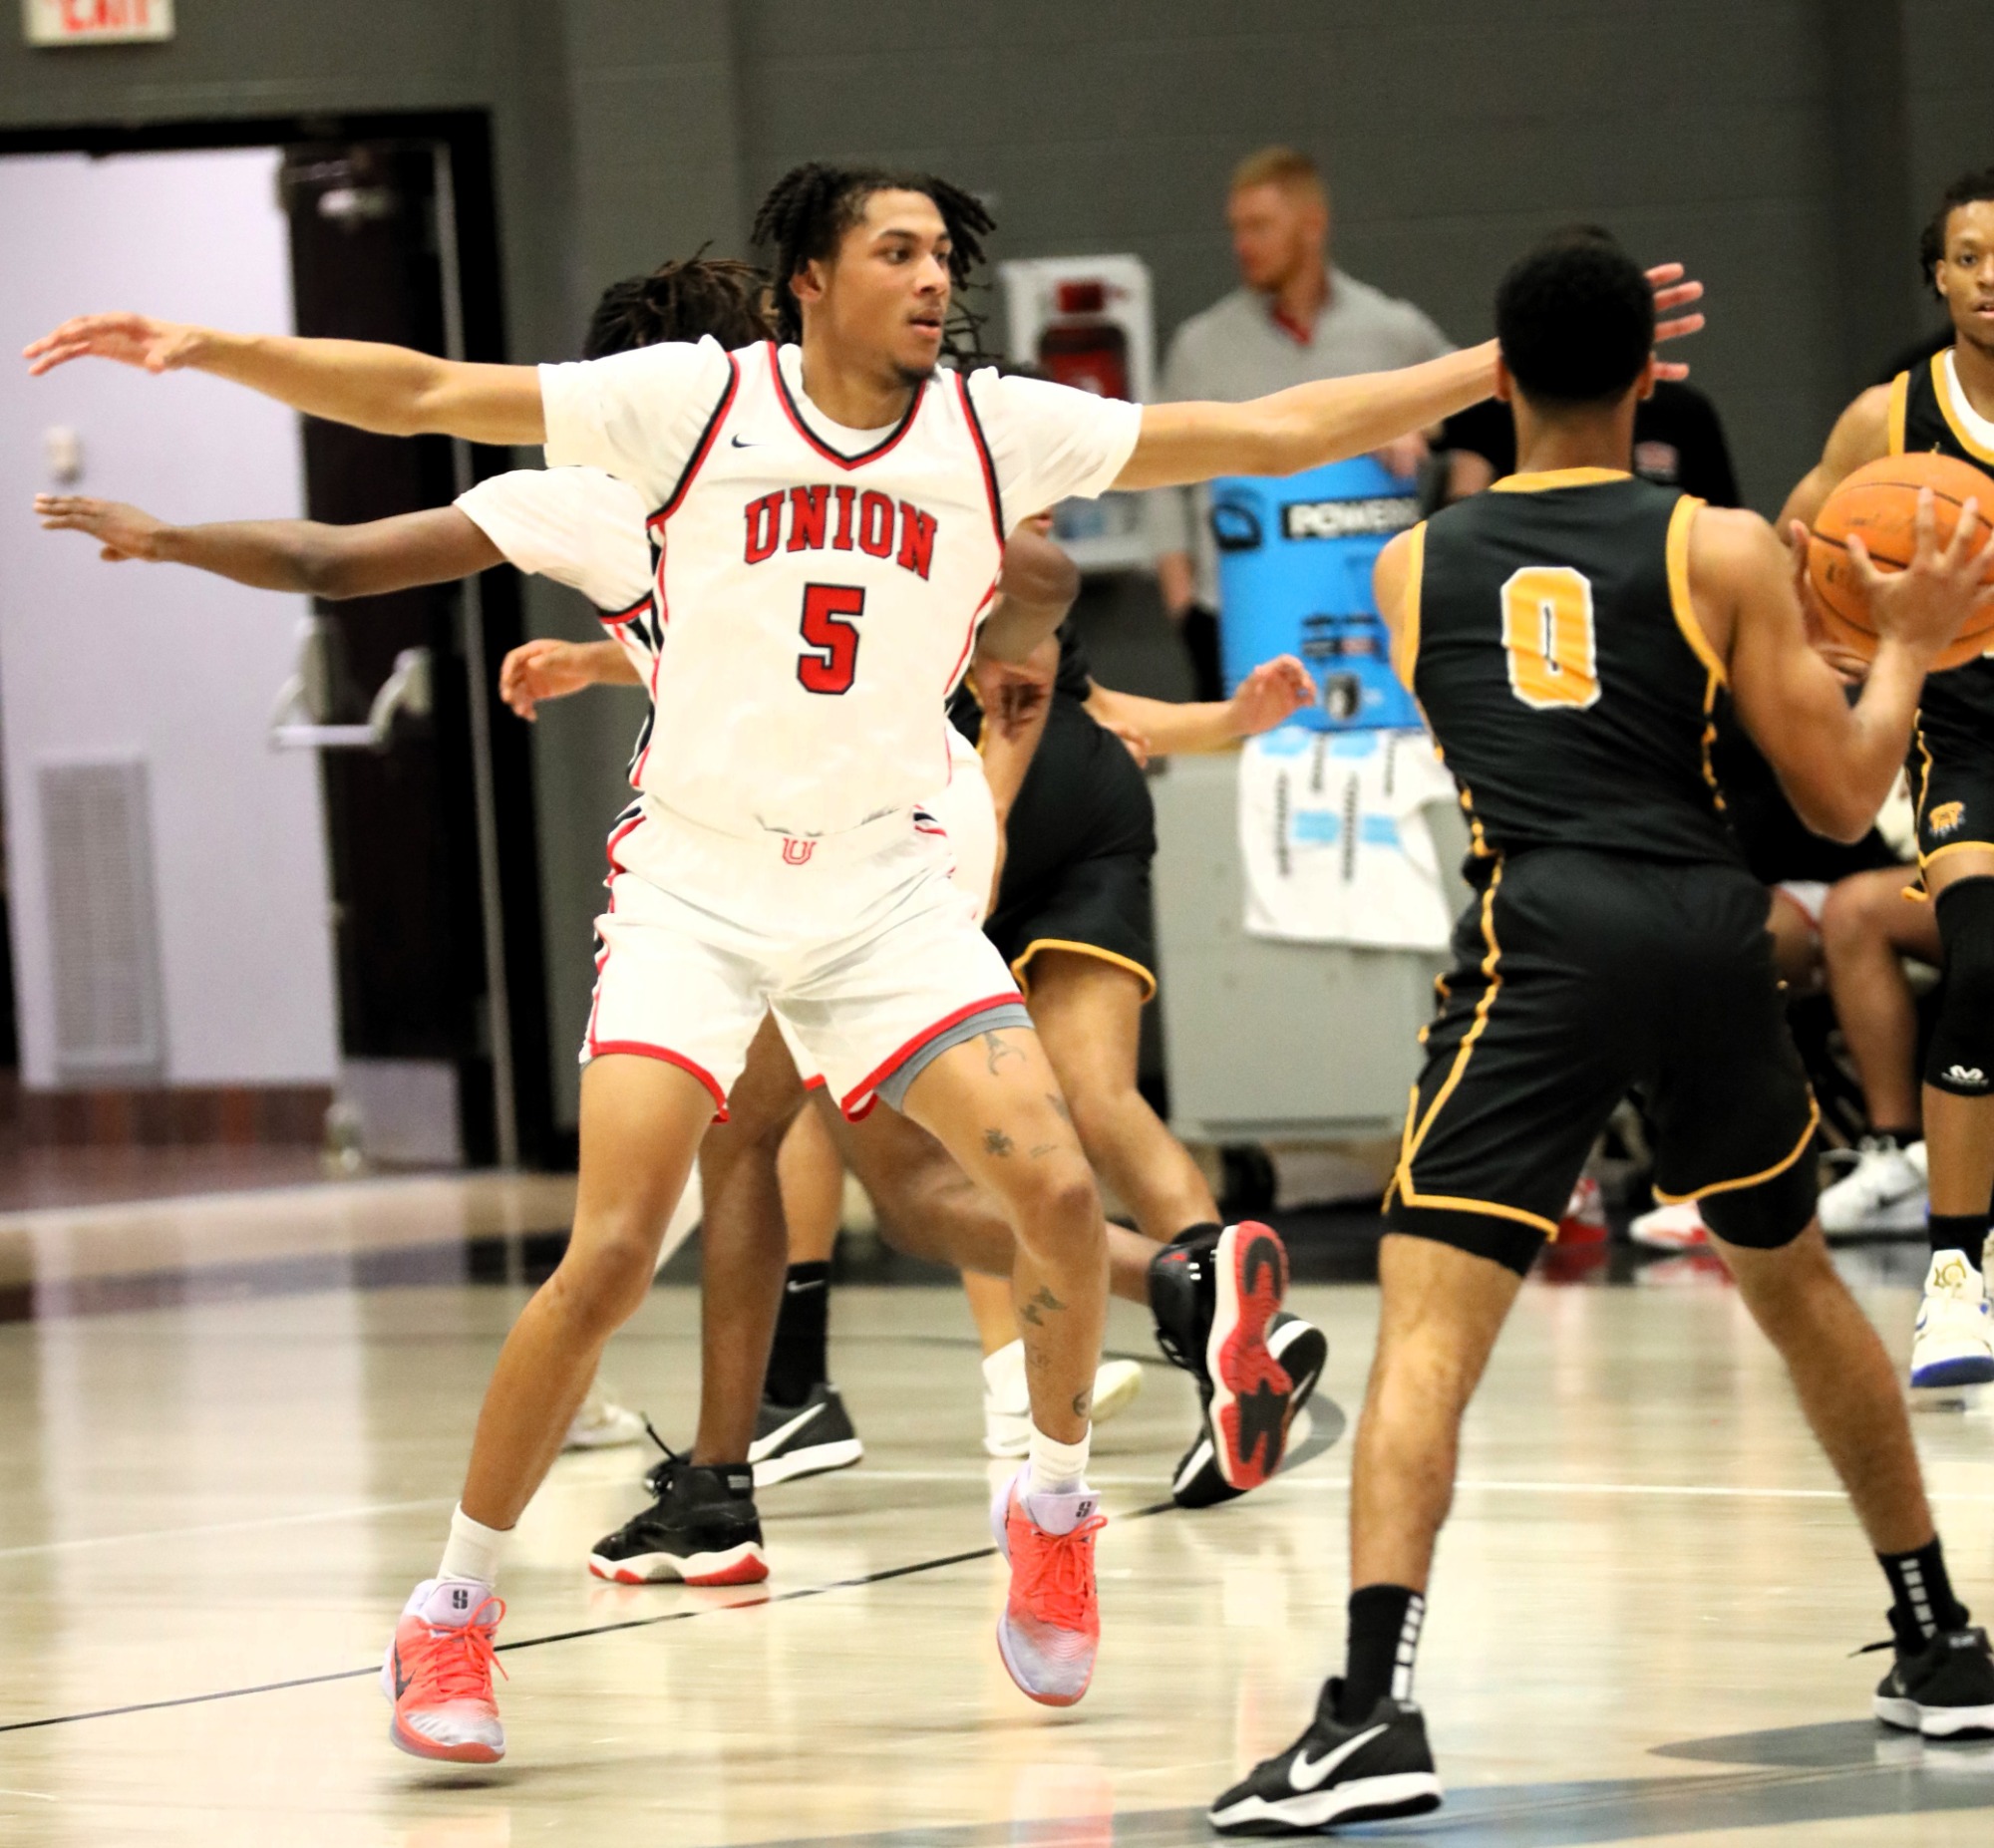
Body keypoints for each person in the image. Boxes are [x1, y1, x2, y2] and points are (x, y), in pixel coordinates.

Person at [26, 162, 1698, 1757]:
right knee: (611, 1251)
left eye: (942, 256)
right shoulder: (686, 399)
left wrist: (1489, 366)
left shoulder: (992, 423)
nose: (932, 279)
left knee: (1047, 1183)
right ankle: (449, 1605)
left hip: (887, 889)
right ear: (809, 280)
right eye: (896, 251)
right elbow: (419, 390)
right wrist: (210, 349)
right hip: (694, 887)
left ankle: (1046, 1503)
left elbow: (1255, 432)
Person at [1209, 232, 1994, 1836]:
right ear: (1654, 376)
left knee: (1430, 1329)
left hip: (1546, 929)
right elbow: (1845, 798)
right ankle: (1942, 1636)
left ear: (1496, 385)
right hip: (1709, 933)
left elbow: (1504, 744)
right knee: (1796, 1286)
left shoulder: (1414, 563)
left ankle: (1369, 1711)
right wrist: (1904, 641)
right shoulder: (1720, 547)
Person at [1780, 164, 1994, 1386]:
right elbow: (1793, 541)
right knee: (1980, 955)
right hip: (1966, 729)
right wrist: (1825, 635)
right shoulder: (1887, 419)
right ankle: (1955, 1278)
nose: (1987, 277)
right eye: (1967, 256)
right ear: (1938, 274)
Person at [1151, 146, 1456, 699]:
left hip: (1367, 613)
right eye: (1236, 229)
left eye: (1260, 227)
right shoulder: (1202, 346)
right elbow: (1161, 483)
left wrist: (1420, 426)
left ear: (1313, 226)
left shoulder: (1391, 329)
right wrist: (1186, 611)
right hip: (1239, 609)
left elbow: (1478, 410)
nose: (1243, 245)